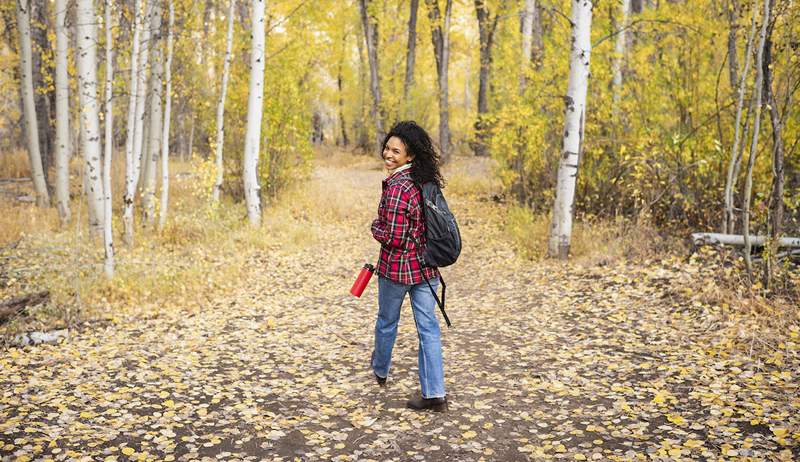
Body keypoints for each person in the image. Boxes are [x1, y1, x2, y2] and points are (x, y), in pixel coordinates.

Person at [370, 121, 447, 412]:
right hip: (427, 269)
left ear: (410, 156)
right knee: (429, 329)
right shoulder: (423, 180)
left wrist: (375, 228)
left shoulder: (399, 187)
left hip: (397, 270)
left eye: (396, 151)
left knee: (387, 322)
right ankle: (435, 393)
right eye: (387, 148)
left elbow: (395, 237)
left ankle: (380, 369)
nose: (388, 154)